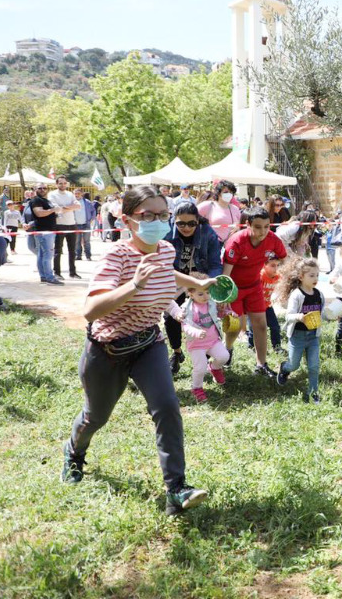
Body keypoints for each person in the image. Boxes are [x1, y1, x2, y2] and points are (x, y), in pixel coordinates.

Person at [61, 185, 213, 515]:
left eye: (163, 215)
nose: (157, 221)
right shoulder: (116, 255)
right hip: (107, 351)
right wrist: (134, 285)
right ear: (128, 219)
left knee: (167, 406)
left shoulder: (166, 250)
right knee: (95, 417)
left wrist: (194, 283)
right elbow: (91, 309)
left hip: (148, 344)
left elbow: (163, 270)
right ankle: (74, 453)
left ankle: (177, 489)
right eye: (148, 215)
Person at [221, 207, 288, 378]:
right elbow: (226, 273)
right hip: (233, 288)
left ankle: (261, 364)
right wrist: (224, 298)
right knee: (234, 328)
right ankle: (227, 349)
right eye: (258, 227)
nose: (263, 231)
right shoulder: (236, 241)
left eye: (267, 226)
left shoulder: (273, 239)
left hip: (254, 286)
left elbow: (284, 258)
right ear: (248, 225)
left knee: (260, 325)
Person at [164, 202, 223, 374]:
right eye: (181, 223)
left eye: (191, 223)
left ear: (198, 221)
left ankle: (205, 353)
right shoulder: (166, 232)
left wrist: (210, 283)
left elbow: (215, 264)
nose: (186, 227)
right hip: (175, 278)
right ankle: (176, 353)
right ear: (174, 220)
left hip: (200, 280)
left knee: (202, 316)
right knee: (171, 317)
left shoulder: (208, 233)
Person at [167, 273, 230, 403]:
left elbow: (220, 313)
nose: (205, 296)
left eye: (207, 292)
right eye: (200, 294)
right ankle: (196, 388)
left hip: (213, 341)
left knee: (224, 356)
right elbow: (185, 326)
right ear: (191, 294)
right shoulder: (187, 308)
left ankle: (214, 368)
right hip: (196, 344)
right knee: (200, 367)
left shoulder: (211, 303)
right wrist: (196, 332)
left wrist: (229, 313)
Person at [276, 258, 324, 403]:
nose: (315, 278)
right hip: (298, 336)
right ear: (301, 277)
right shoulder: (297, 295)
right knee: (294, 365)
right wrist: (300, 317)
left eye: (317, 275)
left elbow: (322, 313)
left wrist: (334, 314)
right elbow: (288, 315)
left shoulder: (319, 294)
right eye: (311, 275)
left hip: (314, 335)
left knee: (314, 365)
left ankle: (313, 392)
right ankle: (285, 368)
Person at [245, 257, 284, 355]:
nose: (276, 268)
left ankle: (277, 347)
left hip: (267, 306)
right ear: (264, 265)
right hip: (254, 307)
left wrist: (281, 295)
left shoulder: (277, 277)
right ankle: (251, 347)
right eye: (272, 265)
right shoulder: (261, 276)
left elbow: (284, 285)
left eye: (277, 265)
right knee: (254, 328)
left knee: (275, 326)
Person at [48, 175, 82, 280]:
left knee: (72, 251)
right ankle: (57, 272)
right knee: (58, 250)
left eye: (64, 183)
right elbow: (56, 209)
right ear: (56, 184)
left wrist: (64, 208)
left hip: (72, 224)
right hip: (59, 225)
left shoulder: (70, 194)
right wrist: (70, 208)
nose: (63, 185)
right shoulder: (52, 194)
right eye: (60, 183)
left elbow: (78, 206)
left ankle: (73, 272)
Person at [30, 183, 63, 285]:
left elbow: (49, 213)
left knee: (41, 254)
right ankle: (49, 277)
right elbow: (39, 213)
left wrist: (55, 214)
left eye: (45, 188)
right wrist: (53, 210)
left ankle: (44, 276)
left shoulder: (46, 201)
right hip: (44, 231)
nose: (43, 190)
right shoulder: (36, 200)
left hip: (48, 231)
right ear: (35, 189)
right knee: (48, 255)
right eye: (40, 188)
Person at [197, 180, 242, 244]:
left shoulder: (235, 209)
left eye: (231, 192)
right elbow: (192, 216)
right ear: (218, 193)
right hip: (210, 244)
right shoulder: (208, 205)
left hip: (230, 245)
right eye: (226, 192)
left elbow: (241, 224)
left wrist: (238, 226)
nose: (229, 194)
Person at [73, 188, 94, 262]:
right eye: (75, 193)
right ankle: (78, 256)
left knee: (87, 241)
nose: (76, 195)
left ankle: (88, 256)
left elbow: (93, 212)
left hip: (86, 225)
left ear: (82, 194)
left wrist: (91, 219)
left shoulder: (87, 202)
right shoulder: (72, 203)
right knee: (77, 241)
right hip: (76, 225)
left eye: (78, 193)